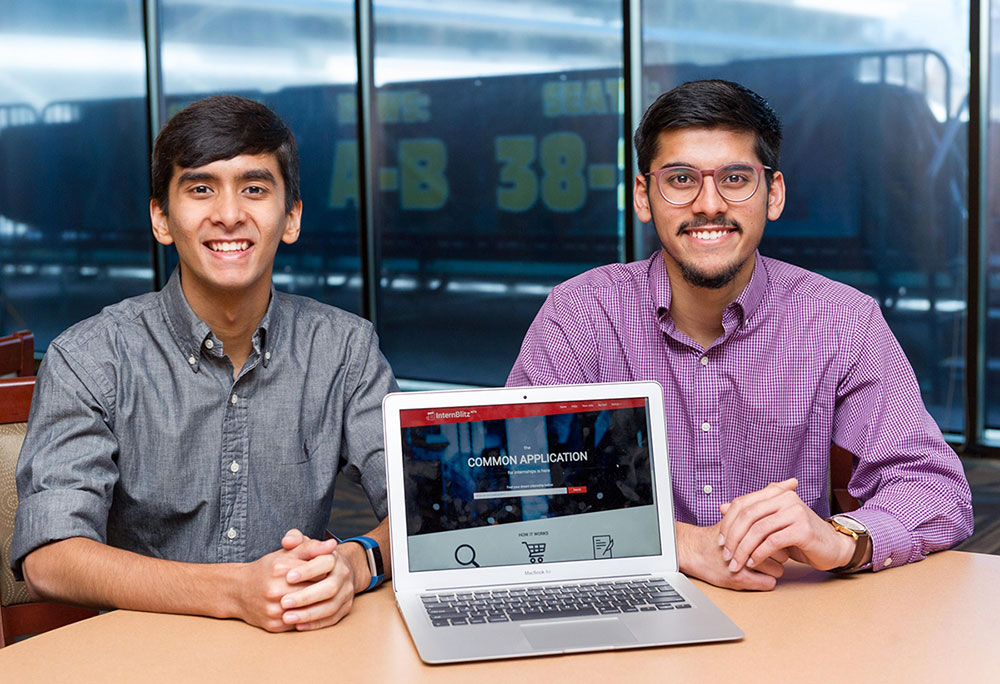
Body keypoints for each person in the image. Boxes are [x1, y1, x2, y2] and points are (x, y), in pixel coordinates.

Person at [508, 79, 973, 590]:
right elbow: (522, 489)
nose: (709, 204)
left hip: (787, 612)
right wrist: (681, 544)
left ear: (772, 194)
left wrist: (841, 539)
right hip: (618, 602)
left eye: (734, 178)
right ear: (644, 196)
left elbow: (936, 489)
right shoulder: (581, 315)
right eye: (681, 179)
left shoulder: (841, 320)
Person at [12, 95, 396, 630]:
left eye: (255, 189)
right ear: (161, 219)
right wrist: (234, 592)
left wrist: (356, 562)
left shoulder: (344, 349)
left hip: (300, 648)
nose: (230, 214)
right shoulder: (91, 357)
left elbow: (423, 510)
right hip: (143, 655)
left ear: (291, 217)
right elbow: (50, 556)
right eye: (200, 189)